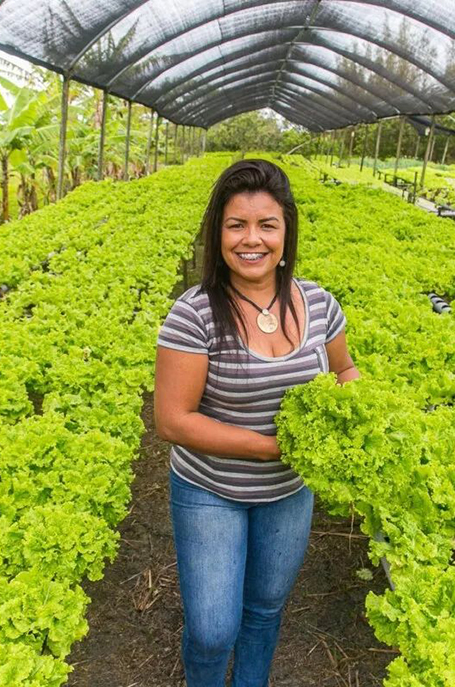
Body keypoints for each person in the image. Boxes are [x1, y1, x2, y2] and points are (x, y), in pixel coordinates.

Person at [154, 158, 359, 686]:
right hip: (210, 489)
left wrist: (357, 414)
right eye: (236, 225)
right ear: (217, 233)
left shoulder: (318, 303)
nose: (252, 240)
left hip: (289, 492)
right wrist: (276, 447)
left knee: (265, 608)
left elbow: (345, 371)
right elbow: (174, 421)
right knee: (212, 628)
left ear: (286, 233)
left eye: (267, 225)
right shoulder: (194, 312)